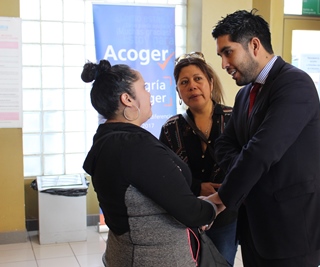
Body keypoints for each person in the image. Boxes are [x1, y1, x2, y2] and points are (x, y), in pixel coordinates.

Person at [206, 9, 320, 267]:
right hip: (256, 227)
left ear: (254, 45)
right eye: (220, 55)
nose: (223, 64)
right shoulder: (245, 95)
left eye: (228, 52)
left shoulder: (294, 84)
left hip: (292, 228)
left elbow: (262, 151)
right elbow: (223, 144)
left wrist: (221, 199)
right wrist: (248, 160)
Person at [81, 59, 219, 267]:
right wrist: (221, 201)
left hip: (124, 252)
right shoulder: (134, 146)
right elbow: (192, 213)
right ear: (127, 99)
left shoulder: (107, 139)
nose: (149, 94)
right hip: (153, 257)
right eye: (144, 88)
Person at [159, 52, 238, 266]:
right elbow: (164, 175)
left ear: (210, 83)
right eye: (184, 82)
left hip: (226, 215)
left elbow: (248, 164)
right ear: (178, 91)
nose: (192, 86)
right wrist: (197, 187)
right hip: (186, 216)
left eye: (198, 79)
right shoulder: (170, 128)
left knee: (221, 262)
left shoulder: (235, 118)